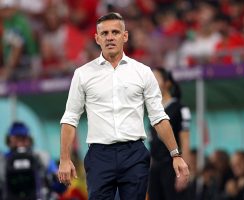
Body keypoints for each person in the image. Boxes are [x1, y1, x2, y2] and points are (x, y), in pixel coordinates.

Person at [58, 12, 190, 200]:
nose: (110, 37)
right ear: (97, 38)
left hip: (134, 154)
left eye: (115, 32)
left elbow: (158, 117)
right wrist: (64, 158)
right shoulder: (82, 74)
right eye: (104, 33)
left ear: (125, 36)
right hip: (99, 155)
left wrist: (175, 155)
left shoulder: (143, 72)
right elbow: (70, 118)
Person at [148, 68, 192, 200]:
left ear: (167, 83)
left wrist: (184, 171)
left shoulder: (180, 108)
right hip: (155, 166)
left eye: (156, 79)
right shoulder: (152, 109)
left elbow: (185, 141)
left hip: (172, 165)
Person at [2, 121, 65, 200]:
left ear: (29, 140)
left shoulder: (41, 158)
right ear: (9, 140)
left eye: (23, 138)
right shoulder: (2, 161)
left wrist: (60, 179)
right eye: (17, 138)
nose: (20, 142)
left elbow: (59, 186)